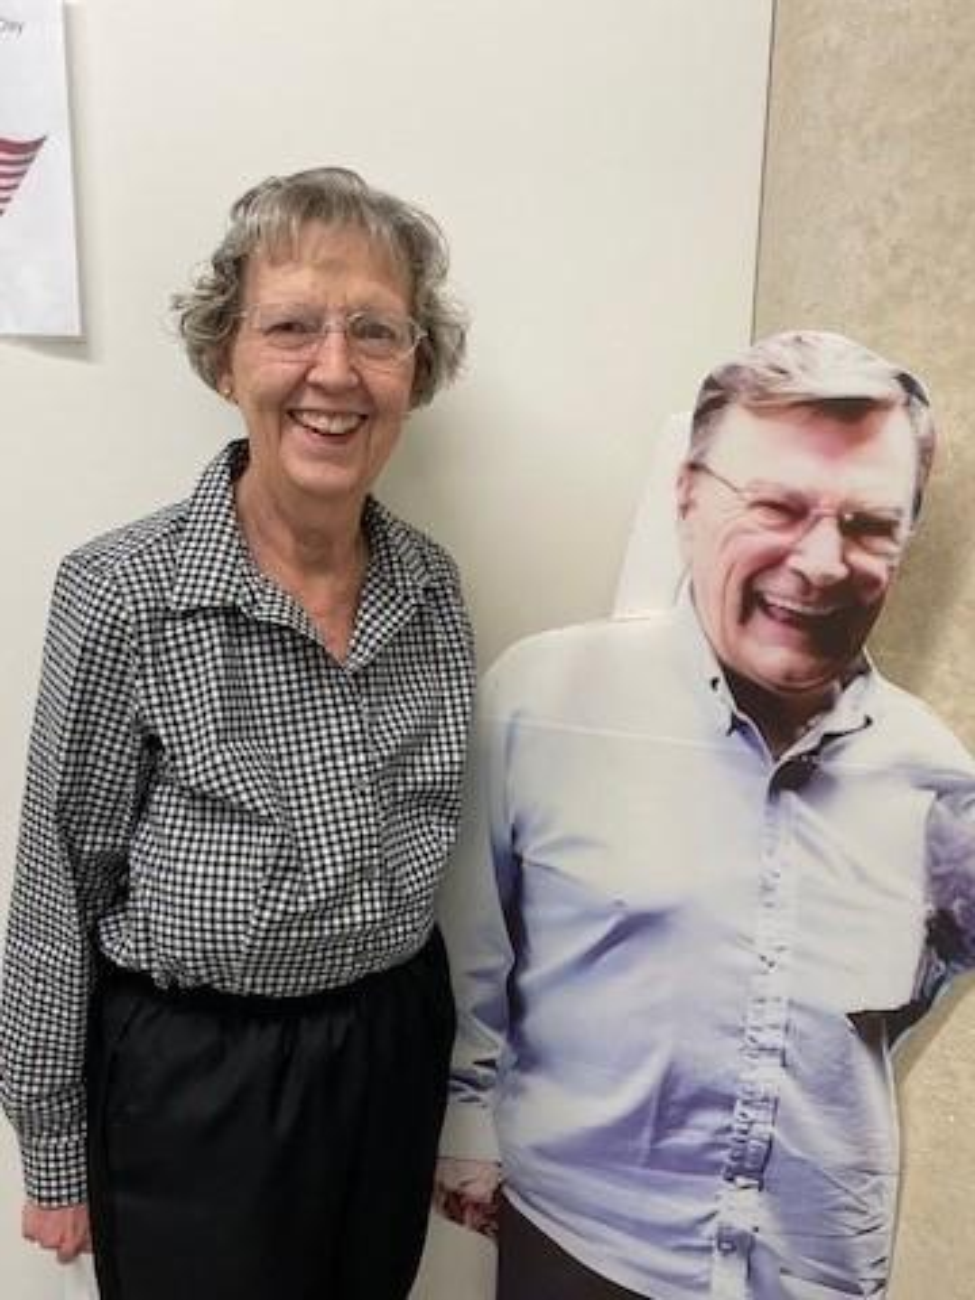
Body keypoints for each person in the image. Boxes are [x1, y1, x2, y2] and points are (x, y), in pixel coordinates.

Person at [0, 166, 475, 1300]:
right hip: (195, 1082)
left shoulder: (434, 589)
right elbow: (57, 882)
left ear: (416, 368)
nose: (335, 370)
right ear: (226, 358)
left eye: (376, 330)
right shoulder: (124, 590)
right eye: (292, 326)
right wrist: (53, 1145)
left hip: (389, 1049)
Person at [436, 331, 975, 1299]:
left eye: (869, 524)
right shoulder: (541, 698)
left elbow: (909, 1000)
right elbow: (472, 954)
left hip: (816, 1272)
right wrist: (470, 1127)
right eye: (776, 507)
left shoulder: (940, 779)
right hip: (582, 1249)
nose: (819, 562)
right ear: (687, 495)